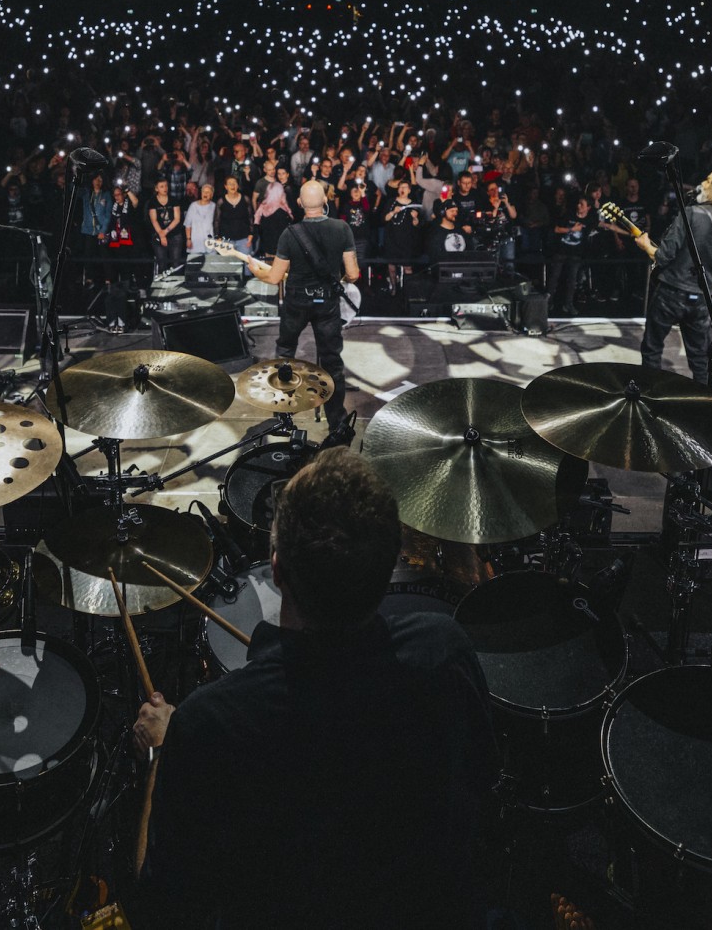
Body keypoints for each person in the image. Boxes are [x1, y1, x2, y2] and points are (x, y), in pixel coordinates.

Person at [125, 448, 496, 930]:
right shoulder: (442, 649)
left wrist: (160, 753)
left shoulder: (208, 723)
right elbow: (483, 781)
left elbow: (161, 910)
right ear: (390, 570)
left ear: (276, 569)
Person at [225, 179, 359, 442]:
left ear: (298, 203)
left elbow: (275, 278)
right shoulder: (342, 228)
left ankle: (283, 417)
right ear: (325, 202)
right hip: (328, 303)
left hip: (297, 302)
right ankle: (337, 423)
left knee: (285, 354)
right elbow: (353, 273)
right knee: (332, 361)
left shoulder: (290, 233)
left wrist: (256, 271)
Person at [631, 168, 712, 387]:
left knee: (652, 347)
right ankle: (703, 405)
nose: (703, 182)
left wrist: (646, 246)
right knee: (700, 359)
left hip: (671, 293)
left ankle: (650, 396)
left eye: (708, 180)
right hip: (705, 299)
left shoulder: (691, 214)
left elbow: (664, 255)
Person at [147, 178, 185, 274]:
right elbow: (154, 220)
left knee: (175, 264)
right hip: (158, 235)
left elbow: (177, 219)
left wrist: (165, 231)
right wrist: (161, 234)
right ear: (156, 189)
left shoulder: (174, 200)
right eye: (162, 186)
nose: (165, 188)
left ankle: (176, 287)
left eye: (166, 186)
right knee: (161, 263)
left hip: (174, 234)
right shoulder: (152, 202)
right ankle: (163, 287)